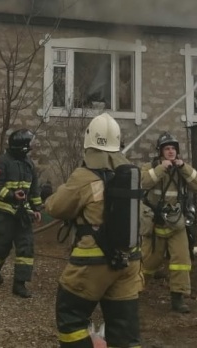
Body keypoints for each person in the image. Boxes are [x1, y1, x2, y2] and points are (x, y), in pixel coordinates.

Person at [45, 112, 142, 348]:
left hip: (93, 263)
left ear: (89, 142)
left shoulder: (84, 176)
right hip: (130, 261)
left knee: (71, 320)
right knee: (125, 332)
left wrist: (54, 193)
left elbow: (56, 208)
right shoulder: (131, 175)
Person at [140, 131, 197, 313]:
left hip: (177, 225)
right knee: (146, 263)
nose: (170, 152)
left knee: (181, 261)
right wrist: (162, 168)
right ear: (160, 151)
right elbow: (142, 182)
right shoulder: (150, 167)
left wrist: (183, 167)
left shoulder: (183, 169)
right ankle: (132, 295)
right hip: (154, 224)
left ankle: (178, 299)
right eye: (167, 148)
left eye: (173, 149)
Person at [0, 128, 43, 298]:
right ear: (22, 146)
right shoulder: (2, 162)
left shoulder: (29, 164)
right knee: (3, 246)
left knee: (26, 247)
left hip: (22, 215)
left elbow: (34, 190)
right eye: (30, 144)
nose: (32, 147)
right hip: (5, 215)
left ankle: (20, 284)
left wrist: (37, 209)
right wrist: (11, 195)